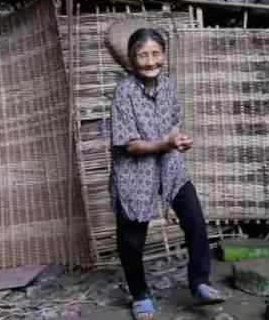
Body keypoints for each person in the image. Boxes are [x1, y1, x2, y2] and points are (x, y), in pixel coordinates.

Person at [110, 27, 224, 320]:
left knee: (196, 223)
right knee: (131, 238)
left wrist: (180, 140)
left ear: (164, 54)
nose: (150, 62)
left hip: (170, 164)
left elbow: (173, 124)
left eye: (156, 54)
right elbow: (130, 145)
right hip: (134, 172)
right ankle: (140, 295)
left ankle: (199, 282)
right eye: (143, 55)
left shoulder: (170, 86)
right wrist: (166, 143)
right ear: (133, 59)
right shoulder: (124, 91)